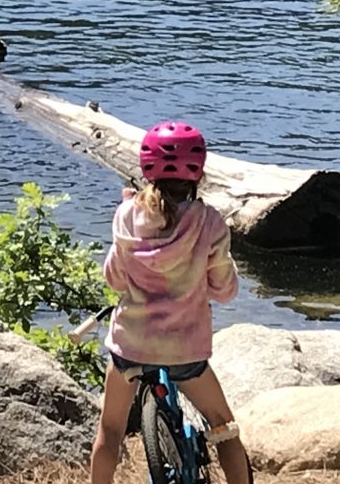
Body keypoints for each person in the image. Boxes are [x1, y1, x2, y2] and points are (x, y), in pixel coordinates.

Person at [90, 121, 249, 484]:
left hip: (130, 345)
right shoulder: (209, 222)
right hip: (186, 352)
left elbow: (114, 279)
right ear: (199, 172)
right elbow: (225, 291)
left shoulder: (127, 215)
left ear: (147, 169)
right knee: (224, 427)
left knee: (110, 430)